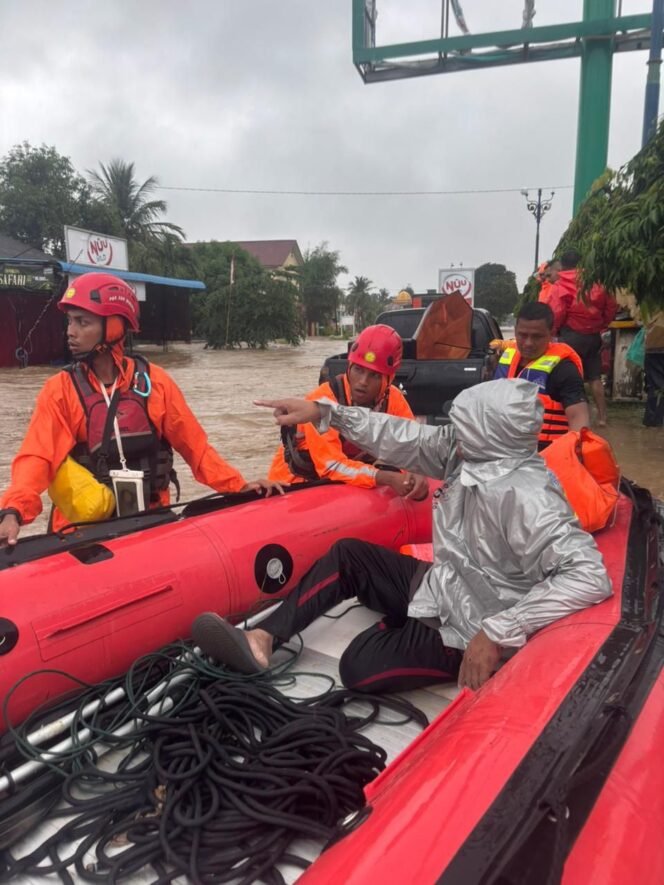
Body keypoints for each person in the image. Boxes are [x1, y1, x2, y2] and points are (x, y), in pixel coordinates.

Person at [192, 379, 611, 692]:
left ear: (491, 434)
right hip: (444, 585)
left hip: (473, 623)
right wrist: (325, 413)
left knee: (358, 667)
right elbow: (401, 435)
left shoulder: (528, 495)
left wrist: (499, 630)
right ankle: (262, 638)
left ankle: (430, 636)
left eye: (463, 426)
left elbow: (589, 575)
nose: (452, 431)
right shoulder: (463, 452)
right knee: (349, 555)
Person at [0, 272, 280, 547]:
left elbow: (197, 449)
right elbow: (36, 458)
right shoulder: (60, 390)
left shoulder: (155, 383)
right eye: (70, 321)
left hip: (150, 523)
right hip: (84, 532)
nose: (70, 332)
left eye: (82, 322)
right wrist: (13, 512)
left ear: (114, 326)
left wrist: (239, 487)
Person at [268, 323, 429, 500]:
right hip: (295, 486)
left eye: (374, 375)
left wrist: (415, 472)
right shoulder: (321, 401)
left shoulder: (394, 400)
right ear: (349, 367)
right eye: (358, 370)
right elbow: (331, 466)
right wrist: (387, 478)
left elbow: (414, 446)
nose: (362, 382)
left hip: (342, 485)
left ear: (388, 379)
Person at [493, 302, 590, 450]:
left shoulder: (564, 368)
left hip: (546, 454)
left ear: (551, 333)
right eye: (522, 335)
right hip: (506, 449)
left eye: (537, 337)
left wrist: (576, 450)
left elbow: (578, 417)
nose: (528, 343)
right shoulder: (506, 358)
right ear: (515, 331)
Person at [548, 249, 618, 427]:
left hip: (570, 335)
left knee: (572, 377)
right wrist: (601, 324)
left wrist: (554, 332)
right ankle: (603, 417)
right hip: (593, 336)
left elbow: (557, 312)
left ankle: (578, 419)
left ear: (562, 265)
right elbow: (611, 306)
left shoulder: (560, 284)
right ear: (581, 264)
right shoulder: (597, 282)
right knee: (595, 377)